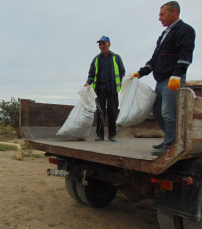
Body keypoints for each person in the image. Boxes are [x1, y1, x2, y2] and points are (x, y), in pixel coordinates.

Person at [132, 1, 195, 156]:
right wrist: (141, 72)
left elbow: (185, 54)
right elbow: (155, 58)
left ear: (174, 12)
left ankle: (170, 145)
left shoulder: (184, 30)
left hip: (172, 79)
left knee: (168, 112)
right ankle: (170, 139)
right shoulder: (165, 34)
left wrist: (177, 74)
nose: (159, 18)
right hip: (160, 81)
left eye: (162, 14)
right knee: (158, 112)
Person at [84, 36, 125, 142]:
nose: (101, 46)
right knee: (100, 112)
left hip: (112, 90)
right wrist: (88, 81)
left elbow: (122, 72)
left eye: (103, 44)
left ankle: (112, 135)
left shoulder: (116, 57)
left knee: (112, 112)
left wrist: (121, 82)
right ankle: (100, 135)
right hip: (99, 90)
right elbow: (91, 73)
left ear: (109, 44)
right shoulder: (96, 59)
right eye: (100, 44)